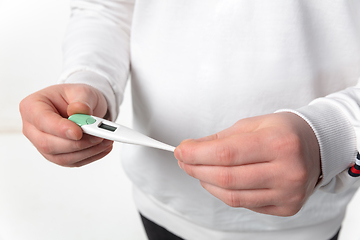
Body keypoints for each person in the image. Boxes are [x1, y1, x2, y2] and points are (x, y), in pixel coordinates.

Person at [19, 1, 360, 240]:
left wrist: (332, 136)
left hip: (305, 221)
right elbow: (107, 8)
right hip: (161, 206)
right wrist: (91, 77)